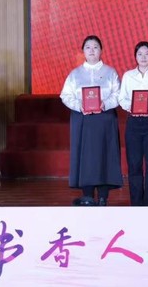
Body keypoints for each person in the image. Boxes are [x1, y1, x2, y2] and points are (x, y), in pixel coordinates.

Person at [60, 35, 123, 206]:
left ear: (101, 50)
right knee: (85, 157)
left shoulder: (110, 72)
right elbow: (65, 95)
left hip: (104, 118)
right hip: (83, 119)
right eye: (88, 47)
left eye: (95, 47)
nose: (92, 50)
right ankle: (87, 195)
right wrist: (78, 105)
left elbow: (118, 94)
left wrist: (105, 104)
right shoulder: (75, 74)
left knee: (105, 155)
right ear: (83, 51)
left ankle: (103, 196)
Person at [118, 41, 148, 206]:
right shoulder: (128, 76)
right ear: (135, 56)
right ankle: (137, 204)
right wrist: (131, 107)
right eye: (140, 54)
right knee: (134, 164)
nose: (143, 57)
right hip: (133, 122)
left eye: (147, 54)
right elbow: (122, 98)